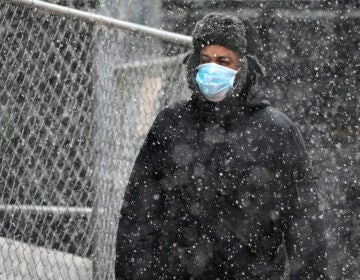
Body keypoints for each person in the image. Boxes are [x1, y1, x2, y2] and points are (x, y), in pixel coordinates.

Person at [115, 13, 328, 279]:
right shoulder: (171, 123)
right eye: (205, 60)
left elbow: (303, 224)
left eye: (223, 61)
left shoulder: (276, 132)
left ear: (243, 66)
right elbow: (138, 215)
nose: (212, 68)